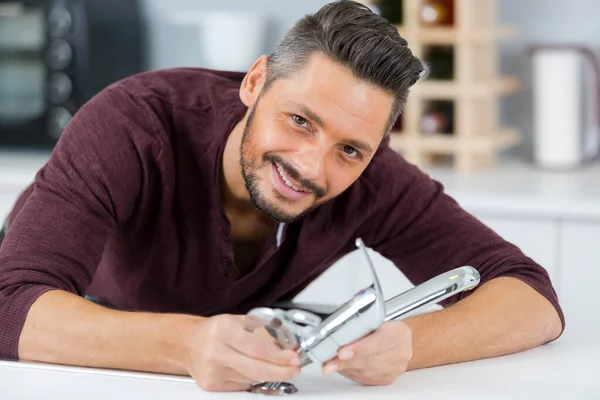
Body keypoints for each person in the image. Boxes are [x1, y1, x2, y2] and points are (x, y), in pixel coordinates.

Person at [0, 0, 563, 393]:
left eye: (351, 149)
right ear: (254, 82)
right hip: (75, 356)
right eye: (298, 120)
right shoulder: (130, 124)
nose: (311, 167)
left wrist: (411, 343)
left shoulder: (373, 177)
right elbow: (9, 307)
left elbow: (532, 300)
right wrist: (188, 344)